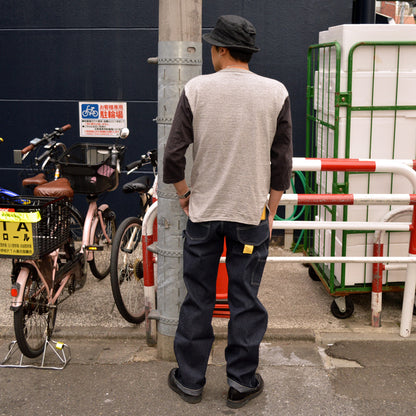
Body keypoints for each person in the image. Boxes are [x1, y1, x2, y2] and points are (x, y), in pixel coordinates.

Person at [163, 14, 293, 408]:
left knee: (198, 297)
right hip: (250, 216)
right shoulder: (276, 92)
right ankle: (240, 381)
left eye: (212, 48)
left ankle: (190, 380)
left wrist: (185, 196)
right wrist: (269, 212)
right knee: (245, 298)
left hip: (204, 213)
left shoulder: (196, 89)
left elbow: (173, 156)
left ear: (220, 50)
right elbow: (281, 162)